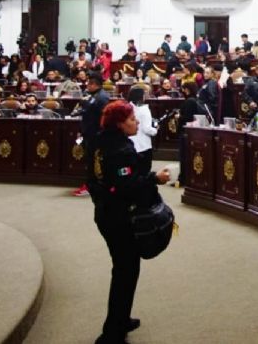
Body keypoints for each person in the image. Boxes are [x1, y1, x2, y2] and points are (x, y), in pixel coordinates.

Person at [89, 101, 171, 344]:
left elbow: (96, 180)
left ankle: (121, 319)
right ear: (119, 123)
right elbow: (128, 186)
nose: (136, 122)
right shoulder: (121, 150)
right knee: (125, 272)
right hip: (120, 219)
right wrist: (155, 178)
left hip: (105, 212)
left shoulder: (99, 142)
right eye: (132, 119)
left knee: (124, 269)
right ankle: (112, 332)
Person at [127, 86, 157, 175]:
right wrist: (155, 130)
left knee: (132, 171)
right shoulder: (144, 109)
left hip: (131, 144)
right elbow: (147, 129)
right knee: (144, 170)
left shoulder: (128, 107)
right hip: (143, 145)